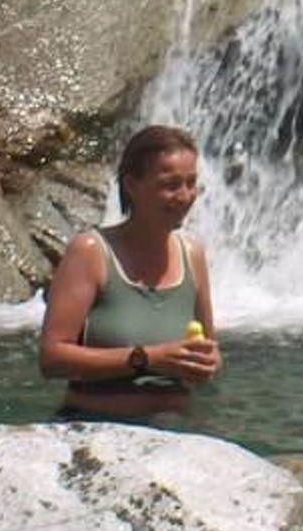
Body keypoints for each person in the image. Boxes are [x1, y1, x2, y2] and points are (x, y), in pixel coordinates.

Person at [39, 123, 222, 418]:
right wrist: (146, 358)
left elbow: (210, 351)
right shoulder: (90, 251)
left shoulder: (193, 254)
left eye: (191, 183)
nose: (186, 196)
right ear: (132, 185)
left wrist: (207, 363)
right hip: (95, 428)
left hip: (177, 434)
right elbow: (52, 358)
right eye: (171, 184)